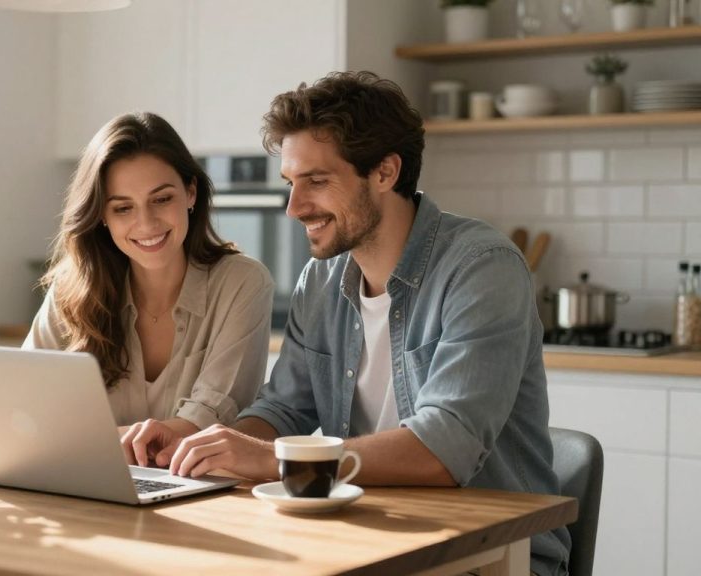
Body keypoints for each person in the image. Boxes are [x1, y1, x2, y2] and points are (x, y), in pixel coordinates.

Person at [122, 73, 571, 576]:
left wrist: (272, 460)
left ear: (384, 172)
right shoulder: (323, 278)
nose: (294, 208)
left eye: (316, 181)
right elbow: (285, 408)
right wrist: (203, 447)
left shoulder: (481, 266)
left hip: (491, 557)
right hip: (371, 539)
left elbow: (444, 449)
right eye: (292, 184)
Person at [23, 112, 274, 443]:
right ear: (101, 216)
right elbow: (25, 401)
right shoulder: (71, 290)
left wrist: (86, 440)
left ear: (191, 193)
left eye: (162, 199)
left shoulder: (242, 284)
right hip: (84, 485)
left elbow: (208, 421)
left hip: (202, 487)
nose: (146, 224)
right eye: (123, 208)